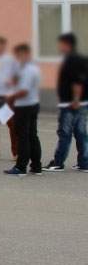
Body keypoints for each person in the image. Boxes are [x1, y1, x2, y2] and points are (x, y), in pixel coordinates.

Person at [43, 33, 88, 172]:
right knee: (81, 133)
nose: (59, 46)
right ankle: (84, 163)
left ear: (67, 44)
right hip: (82, 102)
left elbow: (77, 81)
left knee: (65, 132)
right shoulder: (81, 59)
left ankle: (58, 162)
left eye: (60, 43)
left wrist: (75, 99)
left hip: (71, 103)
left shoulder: (71, 60)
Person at [4, 44, 42, 176]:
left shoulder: (27, 70)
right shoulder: (31, 68)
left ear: (26, 54)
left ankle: (21, 167)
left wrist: (10, 97)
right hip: (33, 104)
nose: (17, 58)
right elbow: (19, 83)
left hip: (24, 106)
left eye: (19, 55)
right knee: (32, 135)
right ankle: (36, 166)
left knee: (23, 136)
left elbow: (24, 91)